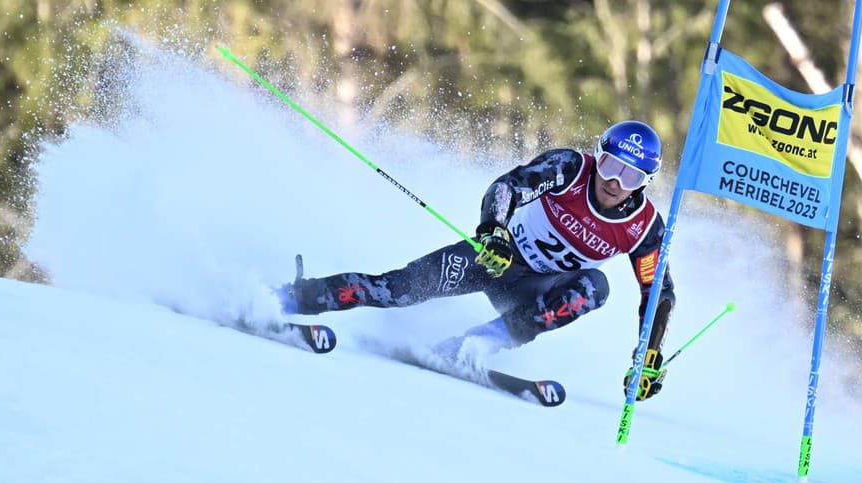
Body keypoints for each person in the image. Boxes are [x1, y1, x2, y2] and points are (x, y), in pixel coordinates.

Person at [277, 120, 676, 401]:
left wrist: (648, 355)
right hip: (495, 260)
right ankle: (294, 298)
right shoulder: (571, 168)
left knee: (594, 289)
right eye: (610, 166)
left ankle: (472, 345)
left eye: (631, 177)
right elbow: (509, 187)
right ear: (598, 155)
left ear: (645, 182)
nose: (614, 183)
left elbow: (657, 292)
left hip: (534, 294)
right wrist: (493, 230)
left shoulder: (643, 228)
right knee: (396, 290)